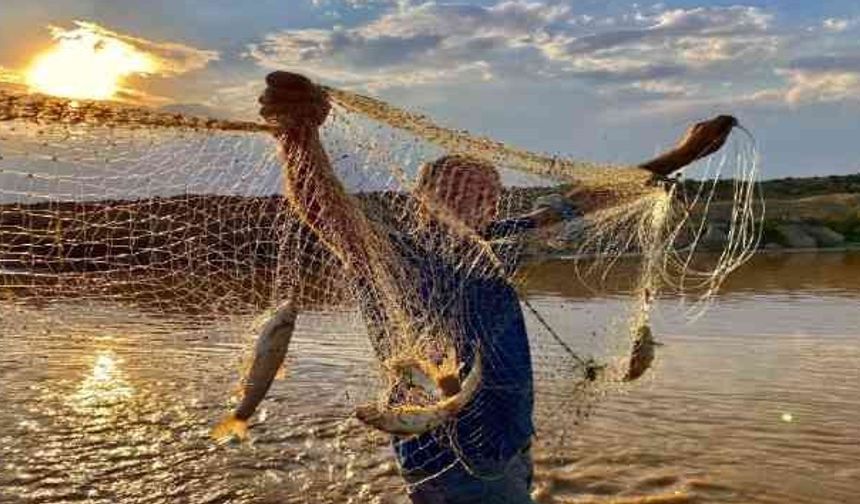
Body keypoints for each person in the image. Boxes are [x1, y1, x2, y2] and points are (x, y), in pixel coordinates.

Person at [214, 70, 736, 503]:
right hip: (446, 461)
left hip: (508, 442)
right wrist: (297, 134)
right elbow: (325, 209)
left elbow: (584, 199)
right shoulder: (390, 255)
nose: (473, 204)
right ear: (422, 202)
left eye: (485, 195)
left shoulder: (499, 243)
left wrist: (679, 156)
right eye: (454, 193)